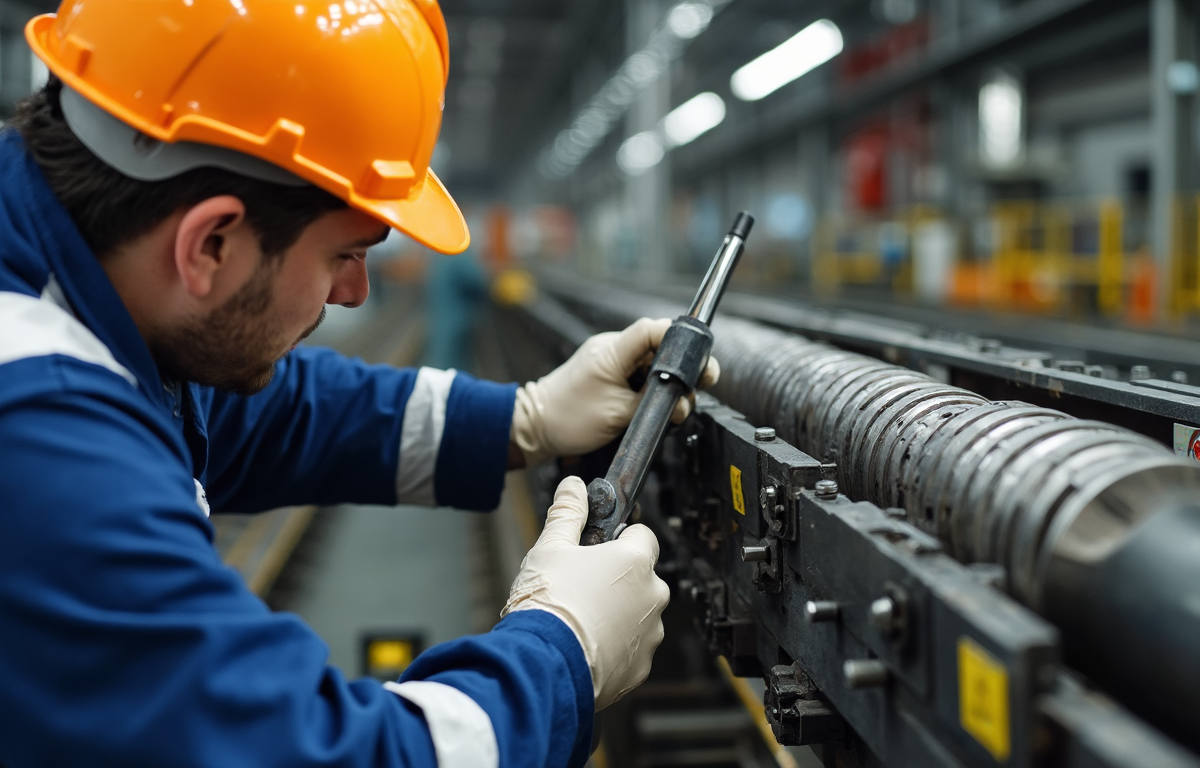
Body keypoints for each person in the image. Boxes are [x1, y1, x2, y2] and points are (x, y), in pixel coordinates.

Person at [0, 2, 718, 767]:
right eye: (346, 254)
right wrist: (563, 652)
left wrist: (521, 418)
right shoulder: (41, 437)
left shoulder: (80, 284)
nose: (355, 293)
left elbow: (253, 413)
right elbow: (307, 753)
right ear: (209, 244)